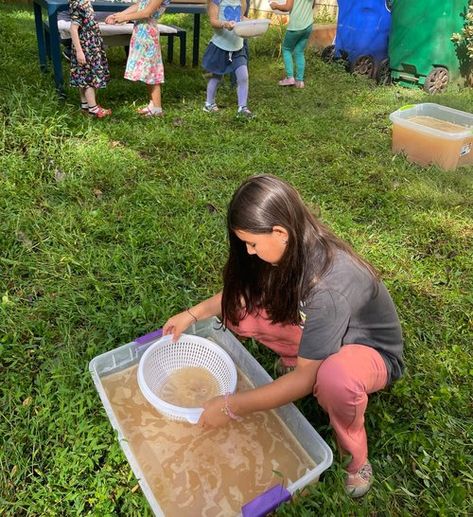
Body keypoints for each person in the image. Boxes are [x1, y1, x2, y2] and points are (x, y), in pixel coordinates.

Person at [163, 174, 404, 498]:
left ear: (279, 232)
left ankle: (356, 460)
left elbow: (306, 380)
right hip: (322, 331)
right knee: (243, 311)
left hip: (366, 351)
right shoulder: (291, 248)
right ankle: (298, 356)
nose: (248, 252)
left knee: (334, 379)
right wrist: (192, 314)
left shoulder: (328, 285)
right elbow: (243, 294)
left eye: (252, 243)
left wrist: (232, 406)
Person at [106, 0, 172, 117]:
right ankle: (152, 103)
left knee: (152, 70)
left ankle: (157, 108)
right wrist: (118, 15)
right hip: (141, 32)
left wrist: (124, 17)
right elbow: (139, 5)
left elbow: (146, 12)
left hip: (148, 35)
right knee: (146, 70)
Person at [202, 0, 253, 118]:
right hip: (221, 46)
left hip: (238, 47)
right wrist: (225, 24)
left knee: (243, 76)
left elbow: (242, 19)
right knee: (216, 77)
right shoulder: (216, 1)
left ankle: (243, 108)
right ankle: (209, 103)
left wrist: (254, 23)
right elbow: (213, 22)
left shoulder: (242, 1)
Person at [69, 0, 111, 118]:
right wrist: (79, 51)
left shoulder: (85, 2)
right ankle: (94, 109)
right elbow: (73, 29)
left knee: (83, 77)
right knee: (89, 78)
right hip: (86, 47)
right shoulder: (78, 3)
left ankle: (85, 107)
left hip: (91, 45)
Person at [270, 0, 314, 88]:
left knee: (286, 49)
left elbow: (287, 7)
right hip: (308, 24)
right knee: (299, 51)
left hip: (296, 26)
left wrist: (276, 6)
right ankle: (300, 81)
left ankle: (290, 78)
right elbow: (312, 5)